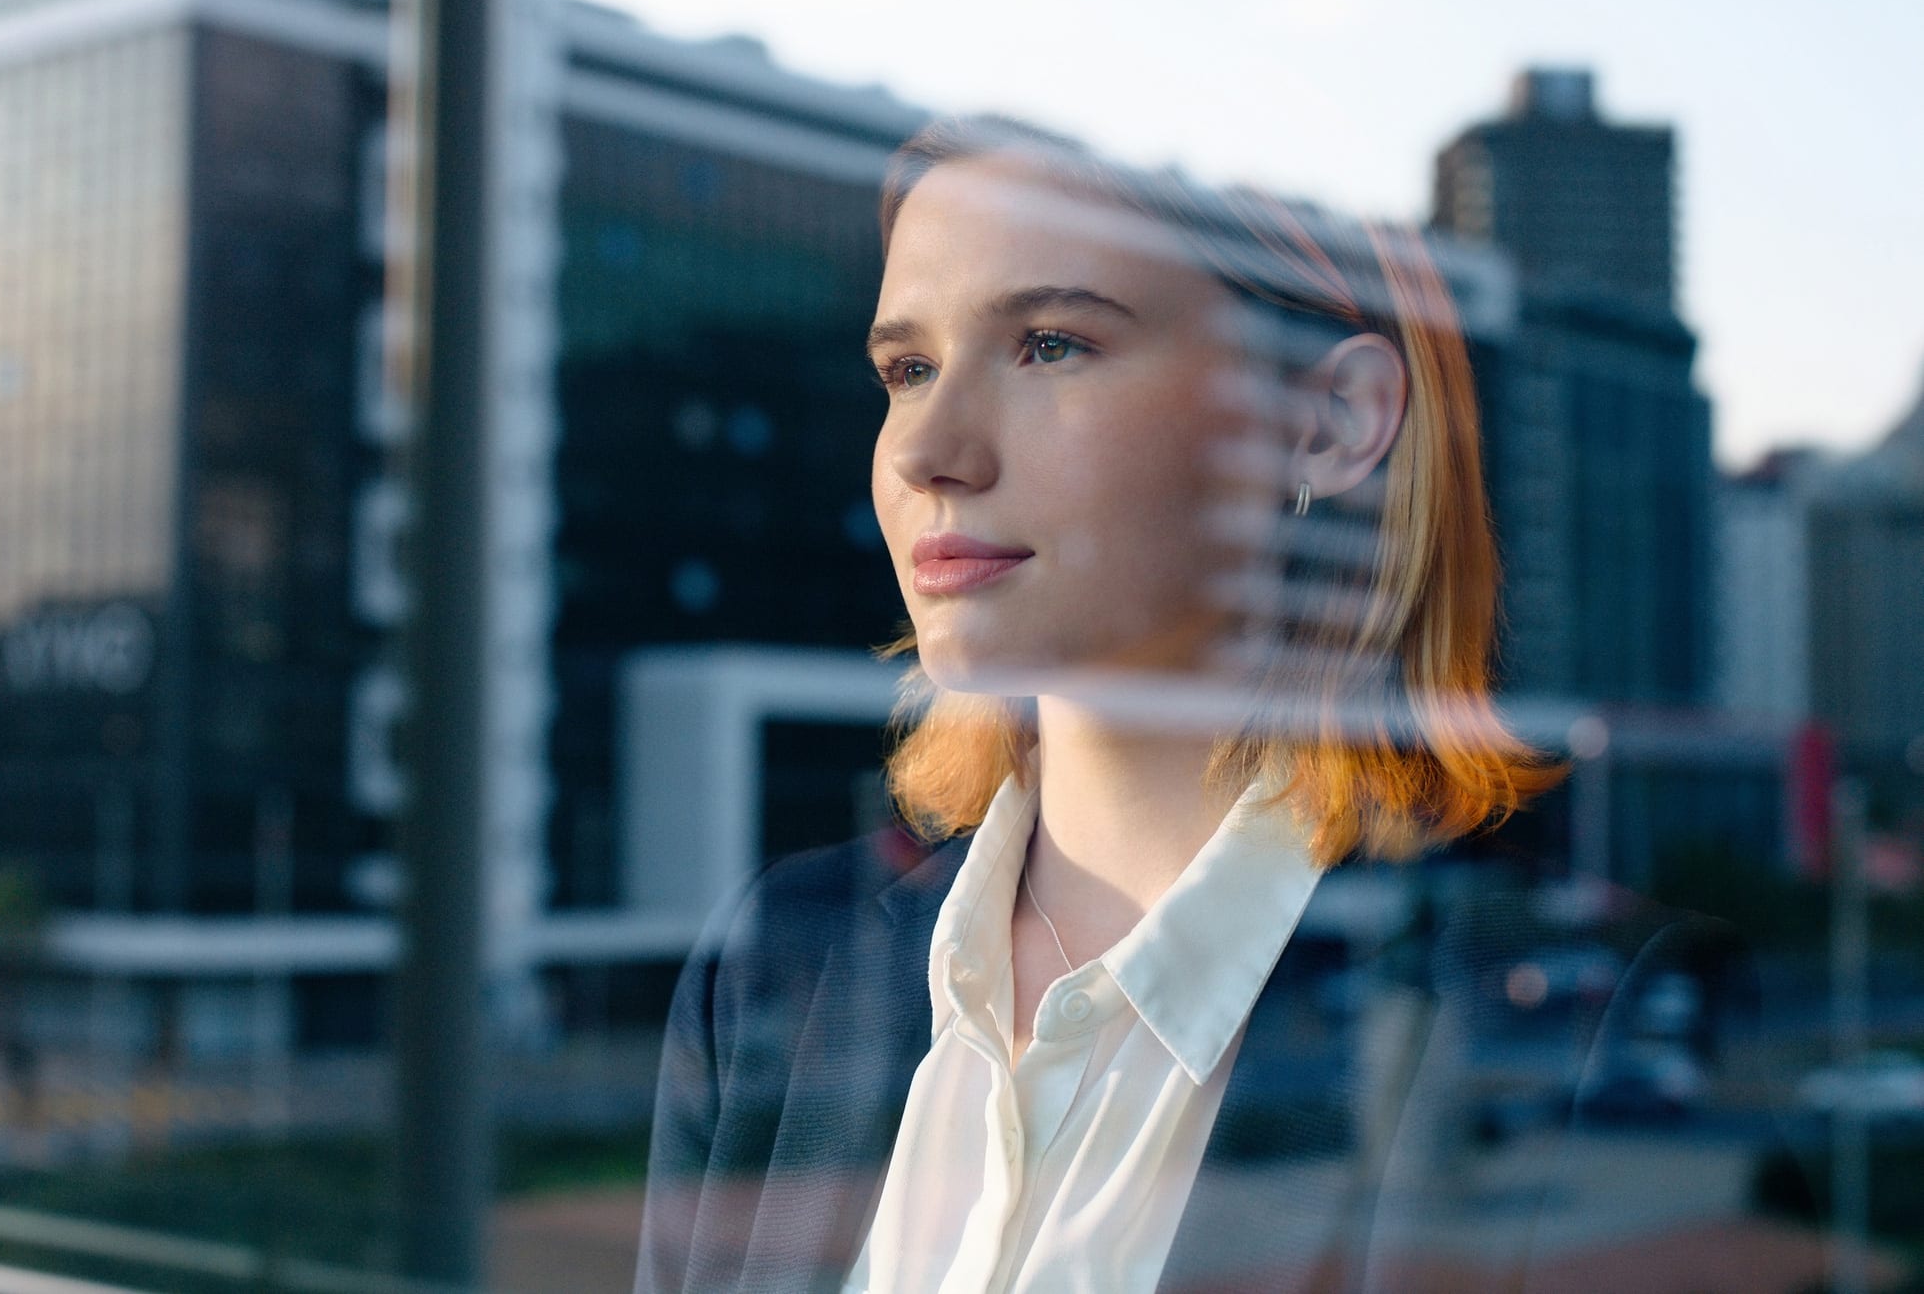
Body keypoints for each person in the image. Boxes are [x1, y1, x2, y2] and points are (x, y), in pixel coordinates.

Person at [635, 117, 1739, 1293]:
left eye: (1051, 343)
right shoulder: (779, 971)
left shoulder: (1548, 1017)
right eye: (907, 369)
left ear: (1328, 423)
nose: (929, 451)